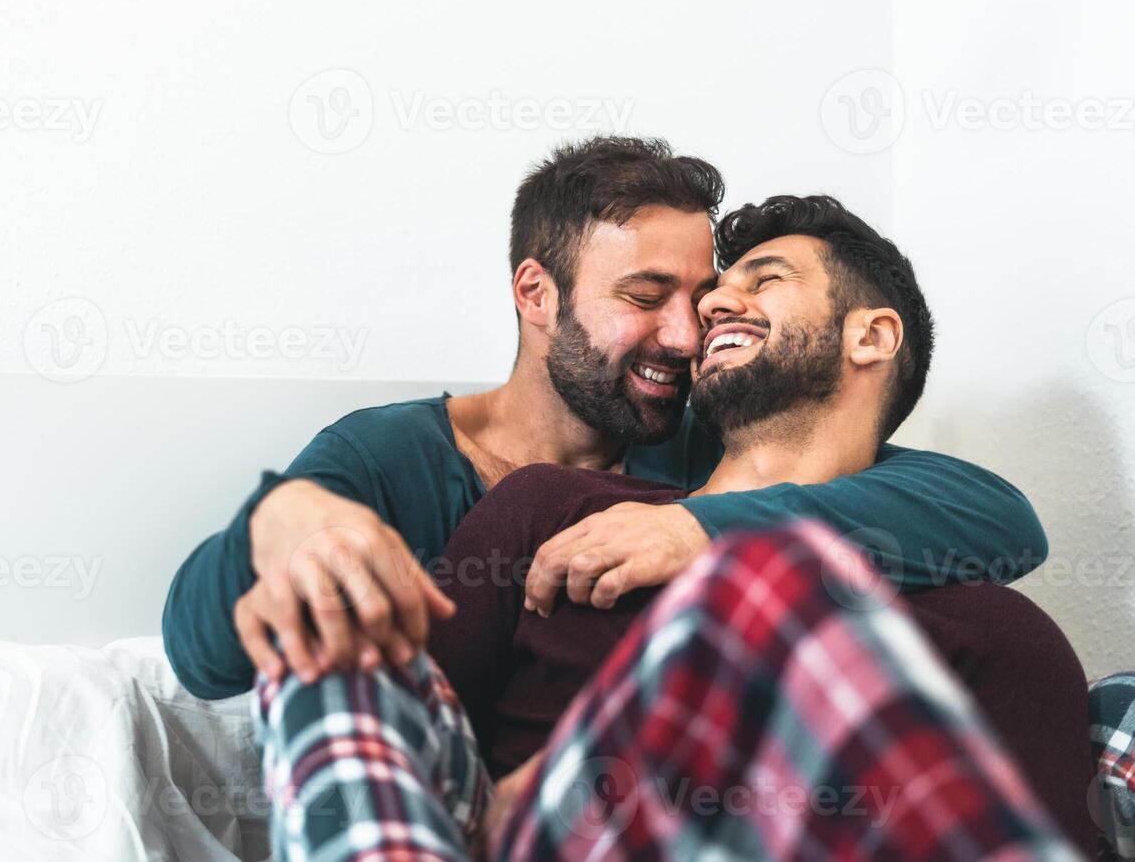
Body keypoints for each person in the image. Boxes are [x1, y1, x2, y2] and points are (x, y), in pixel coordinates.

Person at [252, 196, 1084, 860]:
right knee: (329, 634)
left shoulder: (995, 631)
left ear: (871, 335)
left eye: (764, 279)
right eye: (715, 289)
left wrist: (705, 541)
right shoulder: (554, 507)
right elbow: (423, 738)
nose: (716, 302)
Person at [163, 137, 1046, 702]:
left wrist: (702, 527)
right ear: (535, 293)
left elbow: (992, 517)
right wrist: (275, 521)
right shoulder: (393, 455)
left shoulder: (706, 447)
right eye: (644, 296)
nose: (686, 330)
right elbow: (201, 660)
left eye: (700, 297)